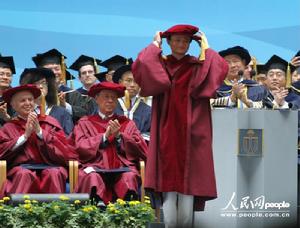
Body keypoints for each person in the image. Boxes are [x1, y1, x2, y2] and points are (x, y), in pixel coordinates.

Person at [132, 24, 228, 228]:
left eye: (185, 41)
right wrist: (154, 44)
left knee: (188, 187)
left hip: (192, 132)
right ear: (168, 42)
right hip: (166, 130)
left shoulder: (196, 65)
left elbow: (219, 69)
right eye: (176, 40)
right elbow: (142, 66)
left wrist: (206, 47)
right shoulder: (161, 64)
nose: (181, 44)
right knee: (168, 187)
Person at [70, 82, 147, 204]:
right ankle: (94, 211)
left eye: (113, 97)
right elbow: (79, 147)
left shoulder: (126, 123)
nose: (110, 100)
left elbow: (141, 148)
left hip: (122, 167)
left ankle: (127, 213)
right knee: (92, 177)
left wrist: (119, 137)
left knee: (129, 176)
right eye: (106, 96)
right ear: (96, 99)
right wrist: (104, 137)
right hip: (94, 166)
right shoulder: (85, 123)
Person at [0, 84, 76, 197]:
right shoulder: (9, 127)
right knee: (23, 174)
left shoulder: (49, 122)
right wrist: (25, 136)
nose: (27, 103)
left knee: (54, 173)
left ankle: (56, 212)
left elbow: (64, 150)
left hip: (51, 166)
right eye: (22, 100)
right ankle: (21, 213)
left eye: (30, 99)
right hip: (22, 168)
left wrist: (40, 132)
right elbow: (2, 152)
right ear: (13, 105)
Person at [32, 49, 96, 121]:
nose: (54, 72)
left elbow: (85, 114)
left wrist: (66, 106)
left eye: (57, 69)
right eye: (49, 69)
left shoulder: (73, 94)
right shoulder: (32, 95)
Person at [19, 68, 74, 135]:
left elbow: (69, 140)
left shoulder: (62, 113)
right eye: (35, 84)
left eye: (43, 82)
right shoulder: (21, 114)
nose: (40, 86)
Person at [112, 62, 151, 135]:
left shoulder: (148, 111)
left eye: (136, 81)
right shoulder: (110, 106)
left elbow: (152, 134)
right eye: (128, 81)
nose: (132, 85)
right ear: (120, 82)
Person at [0, 54, 16, 126]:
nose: (5, 77)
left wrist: (6, 118)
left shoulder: (16, 98)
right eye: (1, 74)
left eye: (8, 75)